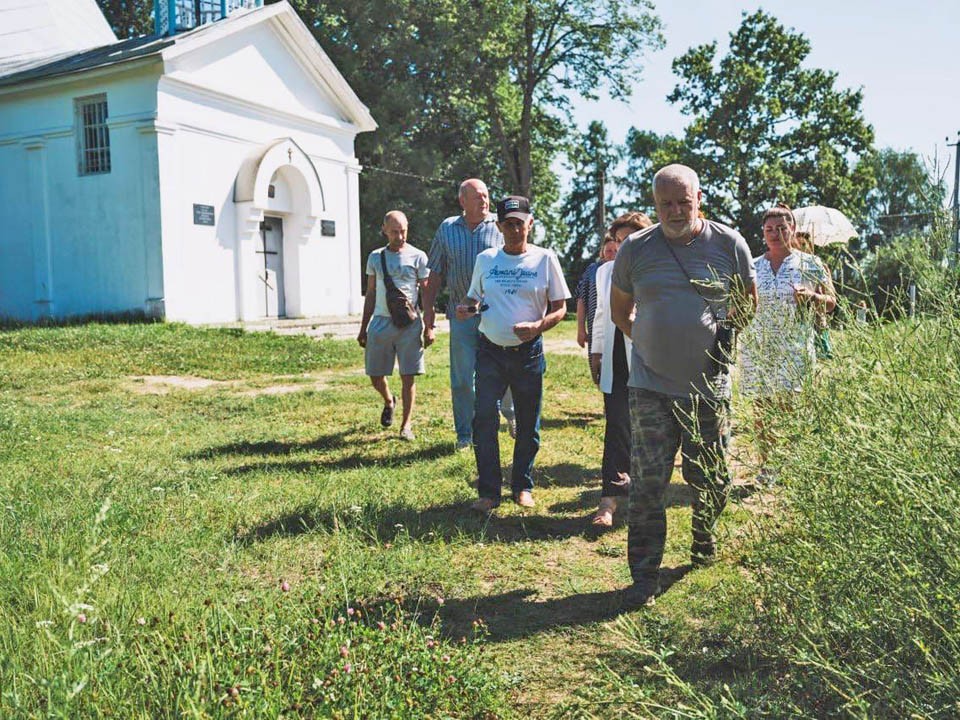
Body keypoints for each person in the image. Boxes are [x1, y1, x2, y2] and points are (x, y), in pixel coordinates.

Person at [610, 164, 757, 609]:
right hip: (650, 387)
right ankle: (644, 576)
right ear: (655, 204)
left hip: (708, 389)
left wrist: (717, 339)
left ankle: (703, 539)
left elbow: (747, 305)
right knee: (647, 486)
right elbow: (620, 312)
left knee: (711, 478)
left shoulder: (729, 244)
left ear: (699, 198)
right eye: (665, 203)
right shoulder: (635, 248)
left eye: (683, 201)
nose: (675, 211)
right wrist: (653, 342)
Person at [456, 196, 570, 513]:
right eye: (509, 224)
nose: (515, 229)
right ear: (499, 226)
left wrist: (537, 326)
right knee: (484, 420)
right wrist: (468, 309)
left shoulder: (545, 259)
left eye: (520, 223)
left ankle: (522, 486)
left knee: (528, 423)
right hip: (490, 350)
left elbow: (560, 308)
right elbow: (473, 297)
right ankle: (489, 491)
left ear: (530, 224)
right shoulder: (486, 260)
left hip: (528, 353)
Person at [738, 205, 836, 483]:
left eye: (782, 228)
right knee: (762, 410)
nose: (776, 234)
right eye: (770, 229)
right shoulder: (753, 266)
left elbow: (831, 304)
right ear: (762, 232)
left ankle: (792, 462)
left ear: (792, 230)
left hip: (793, 346)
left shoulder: (811, 264)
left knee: (789, 408)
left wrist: (813, 298)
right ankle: (766, 466)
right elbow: (742, 303)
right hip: (758, 347)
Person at [423, 179, 516, 451]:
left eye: (486, 196)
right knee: (463, 378)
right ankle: (466, 434)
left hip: (496, 314)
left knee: (506, 370)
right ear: (462, 201)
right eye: (477, 197)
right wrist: (428, 312)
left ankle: (511, 414)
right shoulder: (447, 228)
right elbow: (435, 273)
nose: (484, 201)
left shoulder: (500, 226)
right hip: (461, 315)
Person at [588, 212, 653, 527]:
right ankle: (608, 501)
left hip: (650, 356)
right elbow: (601, 314)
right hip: (615, 357)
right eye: (617, 240)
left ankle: (643, 497)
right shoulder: (605, 272)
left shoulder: (656, 269)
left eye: (628, 240)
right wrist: (596, 352)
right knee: (616, 427)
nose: (622, 246)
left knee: (648, 429)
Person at [357, 211, 430, 441]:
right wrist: (363, 327)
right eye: (395, 232)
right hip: (380, 322)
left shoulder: (418, 256)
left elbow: (427, 294)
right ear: (384, 230)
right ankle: (389, 400)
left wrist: (429, 326)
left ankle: (406, 426)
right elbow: (370, 293)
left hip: (410, 324)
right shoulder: (375, 257)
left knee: (409, 376)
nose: (400, 236)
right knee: (375, 374)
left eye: (403, 231)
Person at [793, 231, 835, 359]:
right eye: (796, 244)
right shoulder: (789, 267)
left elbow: (832, 298)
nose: (800, 248)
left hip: (817, 322)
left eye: (804, 244)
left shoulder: (819, 266)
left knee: (823, 361)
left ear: (810, 246)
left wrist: (815, 295)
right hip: (795, 325)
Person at [575, 237, 617, 354]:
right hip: (596, 329)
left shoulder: (626, 267)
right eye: (609, 251)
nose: (613, 254)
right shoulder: (592, 270)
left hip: (620, 326)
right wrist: (581, 330)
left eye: (616, 250)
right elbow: (581, 299)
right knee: (597, 366)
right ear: (602, 252)